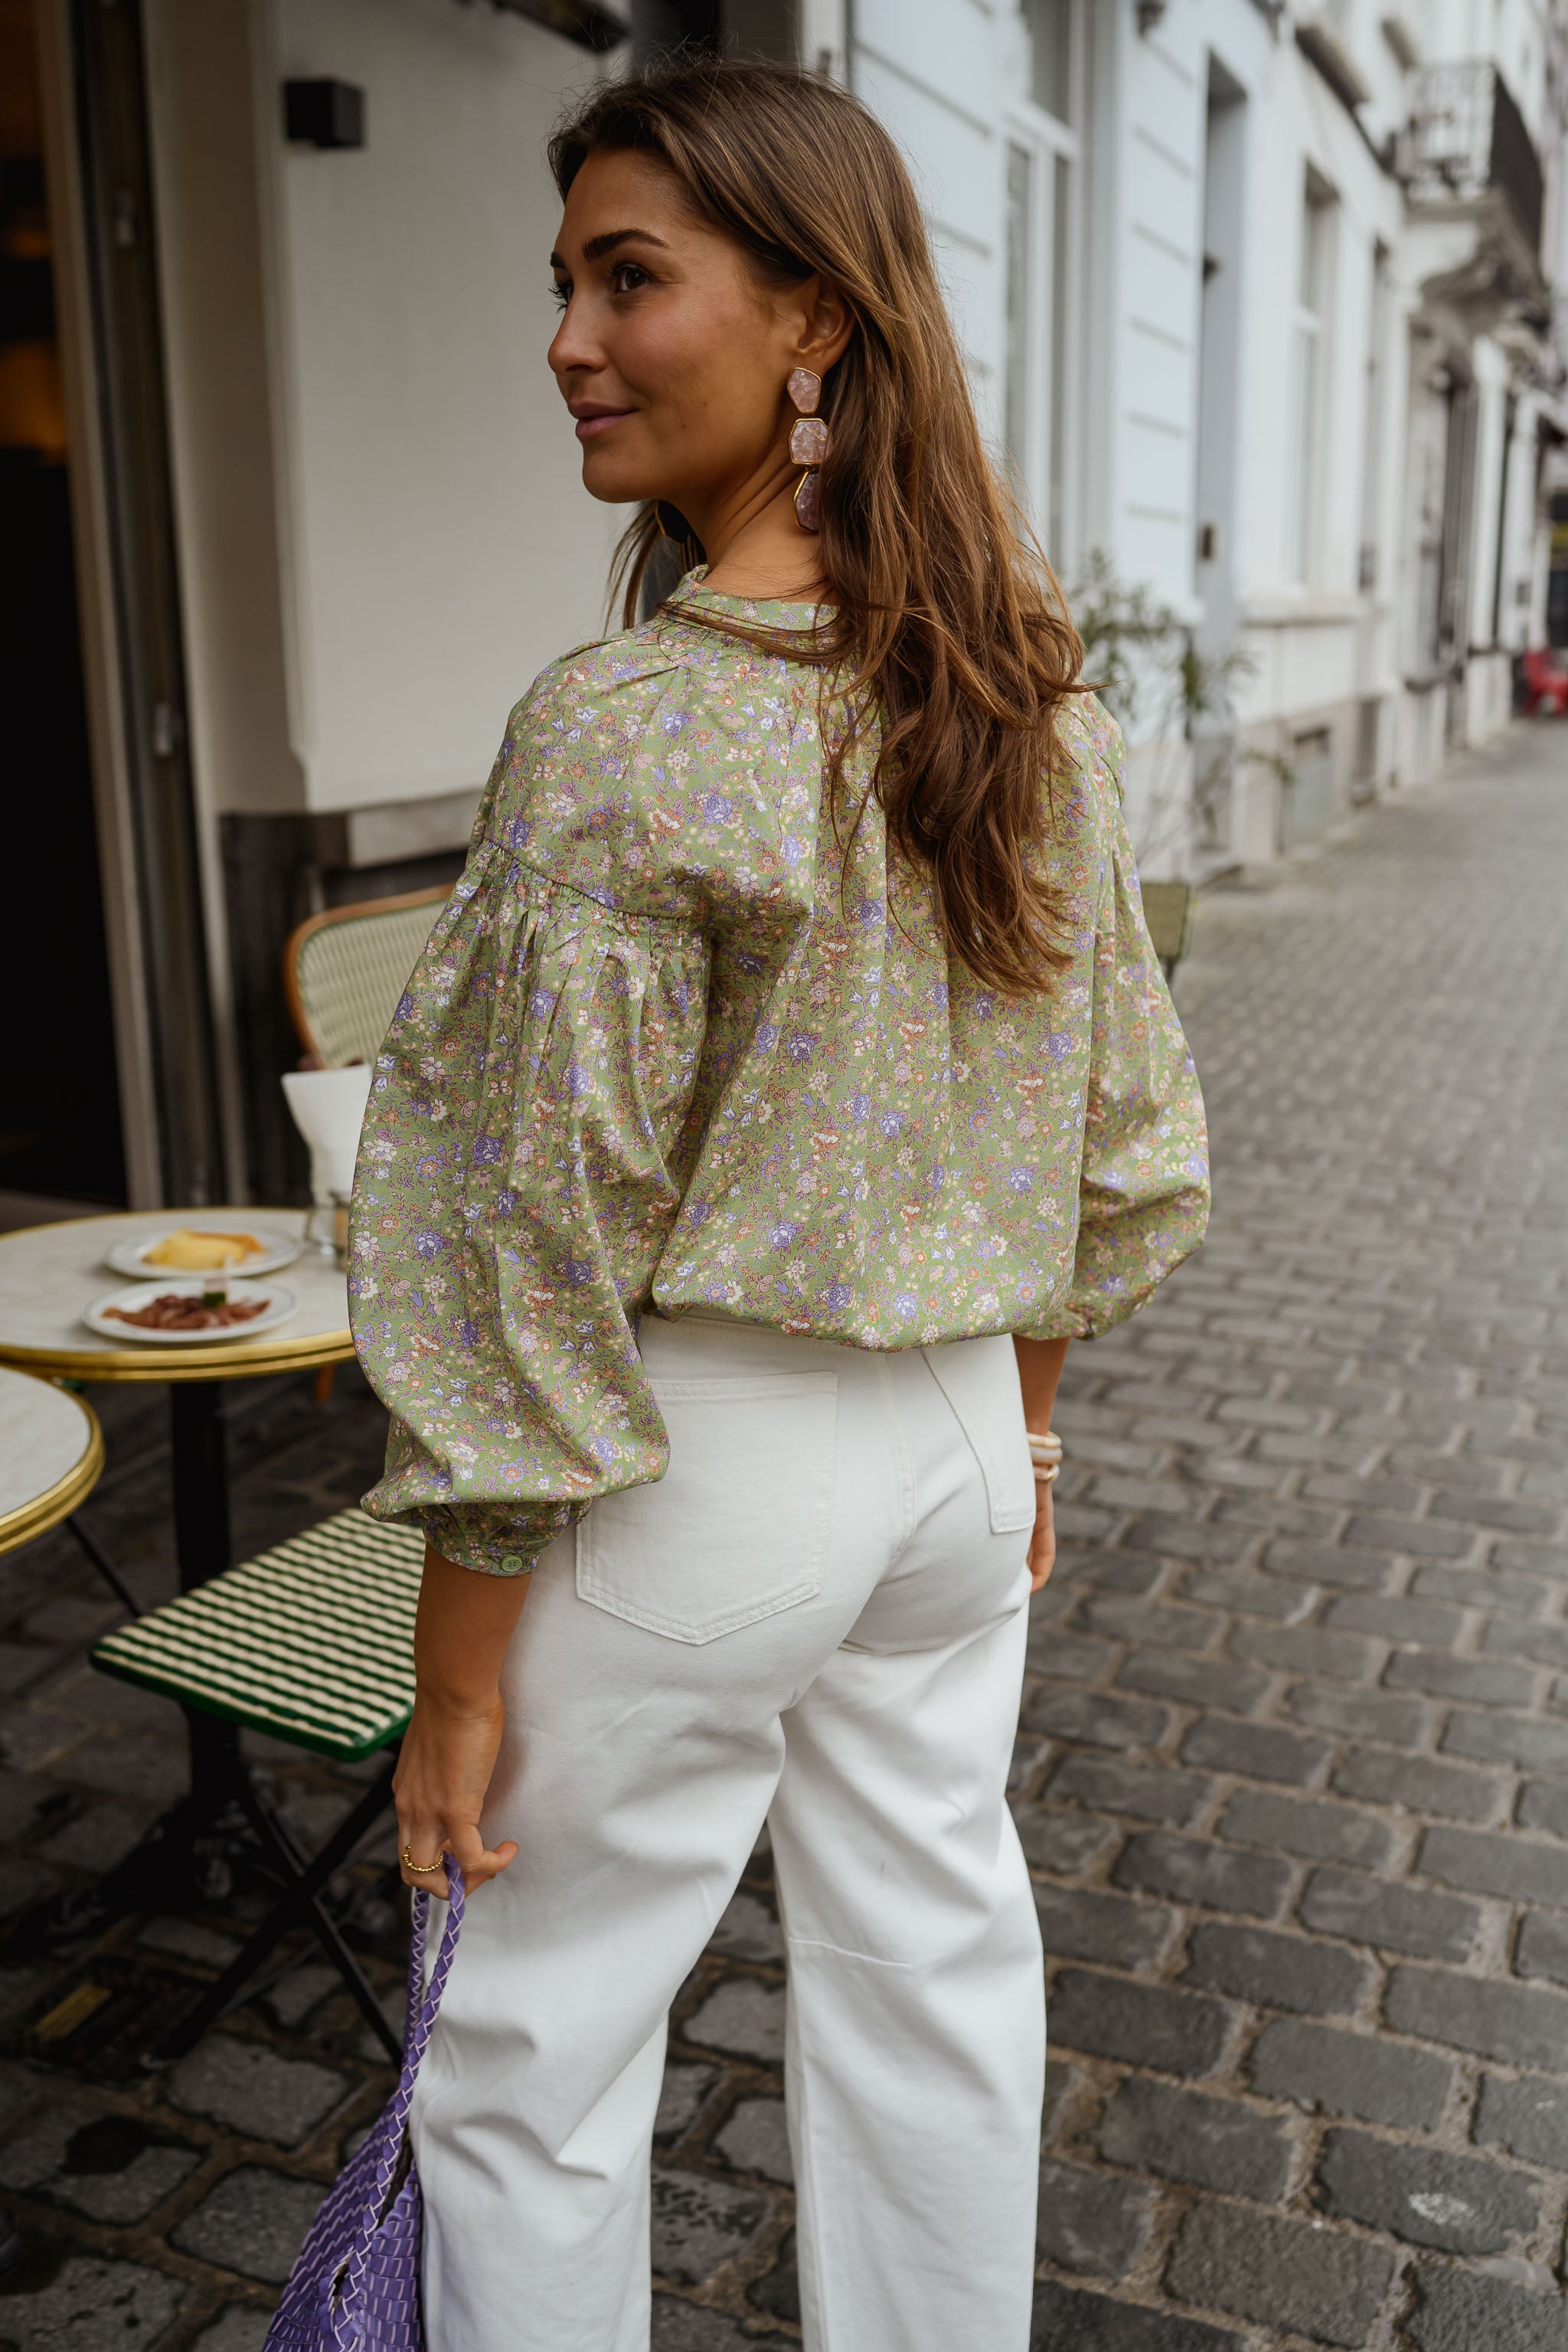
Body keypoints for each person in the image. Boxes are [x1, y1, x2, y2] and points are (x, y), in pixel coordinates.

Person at [349, 57, 1207, 2352]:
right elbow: (1115, 1136)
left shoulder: (628, 724)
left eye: (633, 277)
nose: (568, 338)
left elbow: (522, 1224)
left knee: (533, 2061)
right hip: (949, 1465)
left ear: (817, 319)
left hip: (697, 1470)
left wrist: (453, 1662)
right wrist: (1018, 1427)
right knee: (934, 1981)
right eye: (562, 284)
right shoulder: (1032, 698)